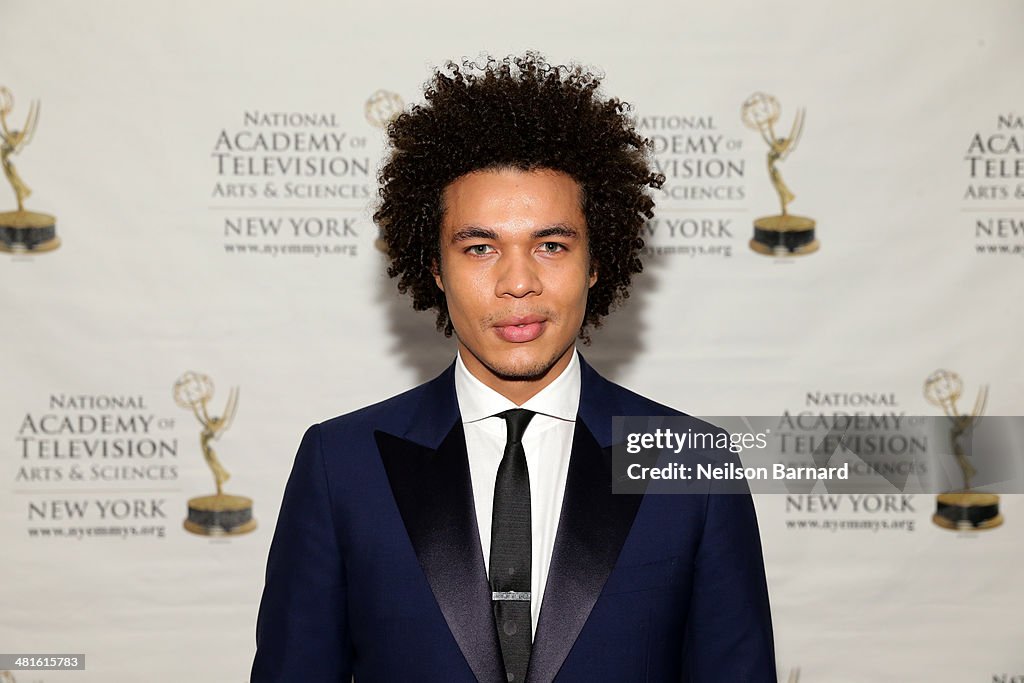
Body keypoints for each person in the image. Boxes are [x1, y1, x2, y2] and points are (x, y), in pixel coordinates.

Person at [251, 53, 775, 682]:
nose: (518, 282)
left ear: (597, 261)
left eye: (551, 245)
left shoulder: (692, 462)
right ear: (436, 268)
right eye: (480, 248)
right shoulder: (341, 464)